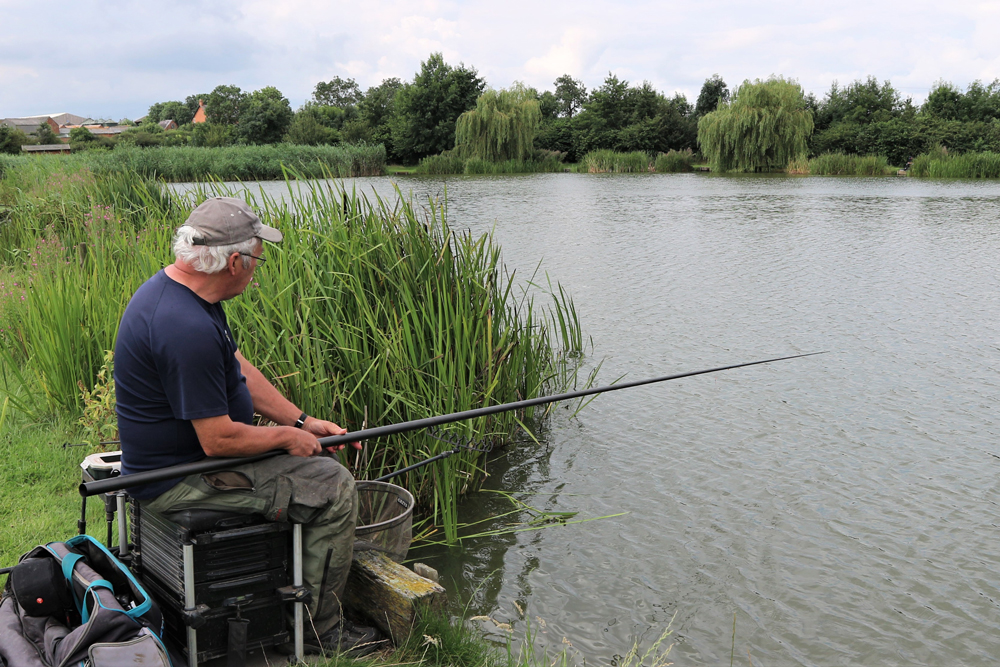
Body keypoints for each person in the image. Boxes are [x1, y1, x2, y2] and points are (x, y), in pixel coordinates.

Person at [113, 197, 381, 655]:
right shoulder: (183, 327)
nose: (259, 265)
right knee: (333, 487)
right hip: (180, 480)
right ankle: (322, 632)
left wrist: (301, 420)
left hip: (186, 460)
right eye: (257, 256)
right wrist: (287, 439)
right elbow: (219, 440)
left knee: (310, 468)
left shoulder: (181, 293)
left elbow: (237, 368)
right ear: (233, 261)